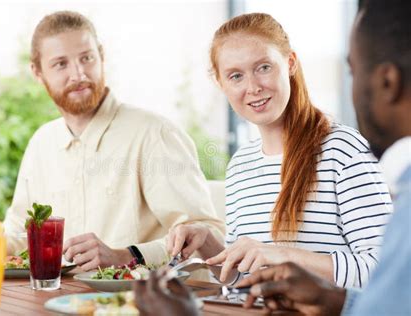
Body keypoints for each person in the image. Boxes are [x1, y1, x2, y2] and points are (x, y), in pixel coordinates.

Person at [134, 0, 411, 315]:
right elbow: (244, 277)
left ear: (290, 63)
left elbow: (382, 272)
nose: (253, 87)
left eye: (263, 67)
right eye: (236, 76)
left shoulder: (343, 149)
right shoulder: (241, 165)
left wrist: (278, 255)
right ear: (220, 83)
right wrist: (209, 244)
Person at [3, 11, 225, 271]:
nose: (78, 74)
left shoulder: (153, 134)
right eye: (60, 64)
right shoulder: (41, 144)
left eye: (86, 58)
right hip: (56, 303)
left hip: (140, 304)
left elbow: (206, 237)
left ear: (101, 56)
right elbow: (19, 235)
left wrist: (126, 256)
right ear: (38, 73)